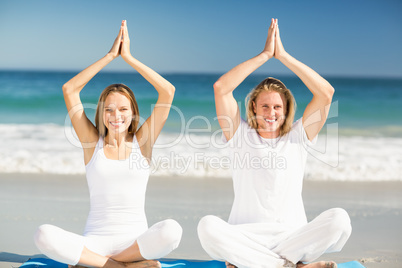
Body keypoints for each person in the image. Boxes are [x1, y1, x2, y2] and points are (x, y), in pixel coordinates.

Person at [197, 19, 351, 268]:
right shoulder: (239, 135)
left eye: (277, 106)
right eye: (265, 106)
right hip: (246, 237)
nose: (271, 112)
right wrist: (265, 55)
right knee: (207, 227)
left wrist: (284, 56)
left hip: (292, 237)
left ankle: (259, 264)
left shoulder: (299, 136)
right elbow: (221, 88)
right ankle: (288, 266)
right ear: (254, 107)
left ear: (287, 109)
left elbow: (326, 93)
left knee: (340, 220)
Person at [34, 20, 182, 268]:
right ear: (101, 113)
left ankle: (100, 264)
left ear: (133, 112)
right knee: (42, 234)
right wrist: (110, 55)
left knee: (172, 231)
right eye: (109, 109)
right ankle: (117, 265)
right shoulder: (92, 143)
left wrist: (130, 58)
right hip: (95, 242)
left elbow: (167, 91)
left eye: (123, 109)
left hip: (136, 243)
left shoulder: (142, 142)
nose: (116, 116)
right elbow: (70, 89)